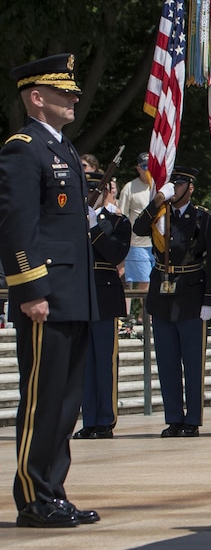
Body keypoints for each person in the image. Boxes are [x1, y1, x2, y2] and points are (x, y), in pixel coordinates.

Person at [0, 53, 101, 527]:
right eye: (64, 92)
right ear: (37, 98)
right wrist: (29, 289)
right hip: (45, 296)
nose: (74, 98)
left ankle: (54, 492)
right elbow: (17, 227)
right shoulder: (24, 147)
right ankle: (33, 497)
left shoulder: (62, 148)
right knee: (42, 400)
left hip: (73, 294)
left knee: (65, 403)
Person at [133, 166, 211, 438]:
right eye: (173, 182)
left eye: (181, 183)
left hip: (191, 295)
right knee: (167, 361)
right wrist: (157, 200)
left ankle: (192, 419)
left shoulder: (203, 218)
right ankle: (173, 417)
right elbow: (138, 229)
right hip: (162, 297)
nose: (175, 187)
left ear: (191, 188)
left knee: (192, 362)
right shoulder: (159, 215)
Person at [74, 169, 131, 440]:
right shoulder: (73, 220)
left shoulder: (119, 222)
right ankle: (90, 420)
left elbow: (115, 254)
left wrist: (95, 227)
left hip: (105, 297)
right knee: (84, 363)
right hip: (80, 296)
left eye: (94, 189)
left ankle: (105, 420)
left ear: (107, 190)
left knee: (104, 361)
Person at [118, 152, 155, 318]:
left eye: (151, 166)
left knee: (155, 281)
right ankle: (145, 317)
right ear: (138, 168)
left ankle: (144, 315)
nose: (147, 170)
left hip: (157, 243)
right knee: (144, 281)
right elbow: (122, 216)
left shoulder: (159, 186)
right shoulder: (129, 187)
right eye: (144, 166)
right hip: (137, 243)